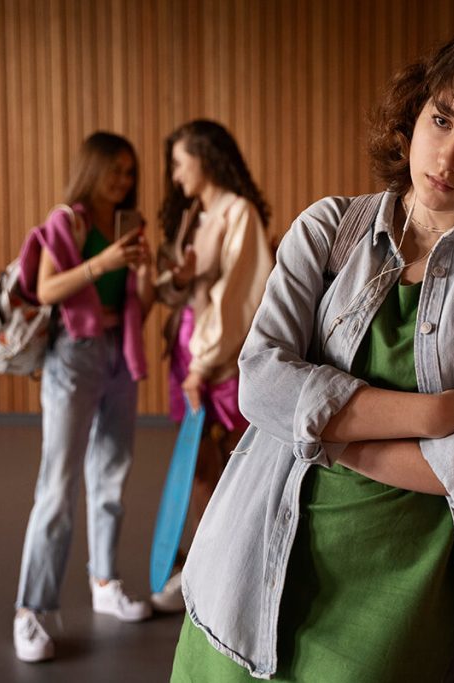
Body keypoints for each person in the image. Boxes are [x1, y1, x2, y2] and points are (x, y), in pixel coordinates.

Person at [170, 27, 454, 682]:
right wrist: (431, 415)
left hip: (398, 597)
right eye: (441, 119)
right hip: (256, 564)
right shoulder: (329, 229)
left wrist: (333, 439)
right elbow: (261, 381)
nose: (450, 154)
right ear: (414, 116)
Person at [12, 131, 156, 663]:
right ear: (92, 170)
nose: (122, 181)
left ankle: (104, 582)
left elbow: (141, 298)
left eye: (128, 172)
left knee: (112, 474)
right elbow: (46, 290)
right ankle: (30, 611)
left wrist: (145, 272)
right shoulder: (67, 221)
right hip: (73, 355)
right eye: (114, 171)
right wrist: (105, 261)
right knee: (58, 484)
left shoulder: (131, 225)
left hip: (119, 353)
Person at [151, 119, 274, 612]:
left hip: (216, 358)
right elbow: (182, 292)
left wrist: (202, 367)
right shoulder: (199, 215)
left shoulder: (237, 213)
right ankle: (212, 560)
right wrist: (176, 278)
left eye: (180, 163)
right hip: (191, 349)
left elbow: (235, 299)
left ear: (205, 158)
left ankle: (212, 568)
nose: (176, 176)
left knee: (216, 465)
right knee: (200, 462)